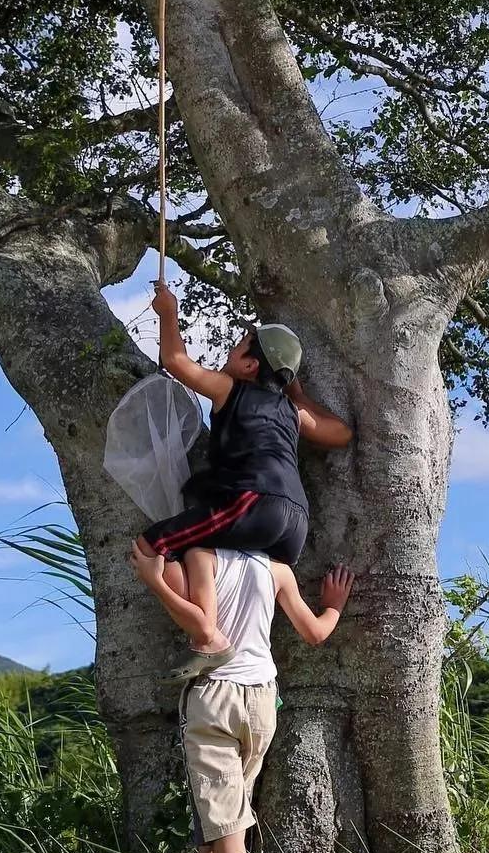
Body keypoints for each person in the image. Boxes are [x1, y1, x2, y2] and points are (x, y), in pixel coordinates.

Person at [128, 540, 354, 853]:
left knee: (226, 829)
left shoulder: (202, 557)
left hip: (216, 698)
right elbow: (315, 632)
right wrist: (334, 606)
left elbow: (204, 629)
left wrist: (155, 581)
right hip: (262, 702)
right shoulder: (278, 570)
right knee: (222, 829)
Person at [134, 281, 352, 682]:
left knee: (152, 547)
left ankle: (209, 636)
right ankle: (210, 625)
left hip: (254, 502)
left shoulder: (229, 390)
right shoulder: (292, 412)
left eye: (237, 347)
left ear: (251, 366)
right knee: (199, 549)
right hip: (295, 522)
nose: (230, 353)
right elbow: (341, 433)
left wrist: (168, 312)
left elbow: (175, 360)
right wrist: (296, 393)